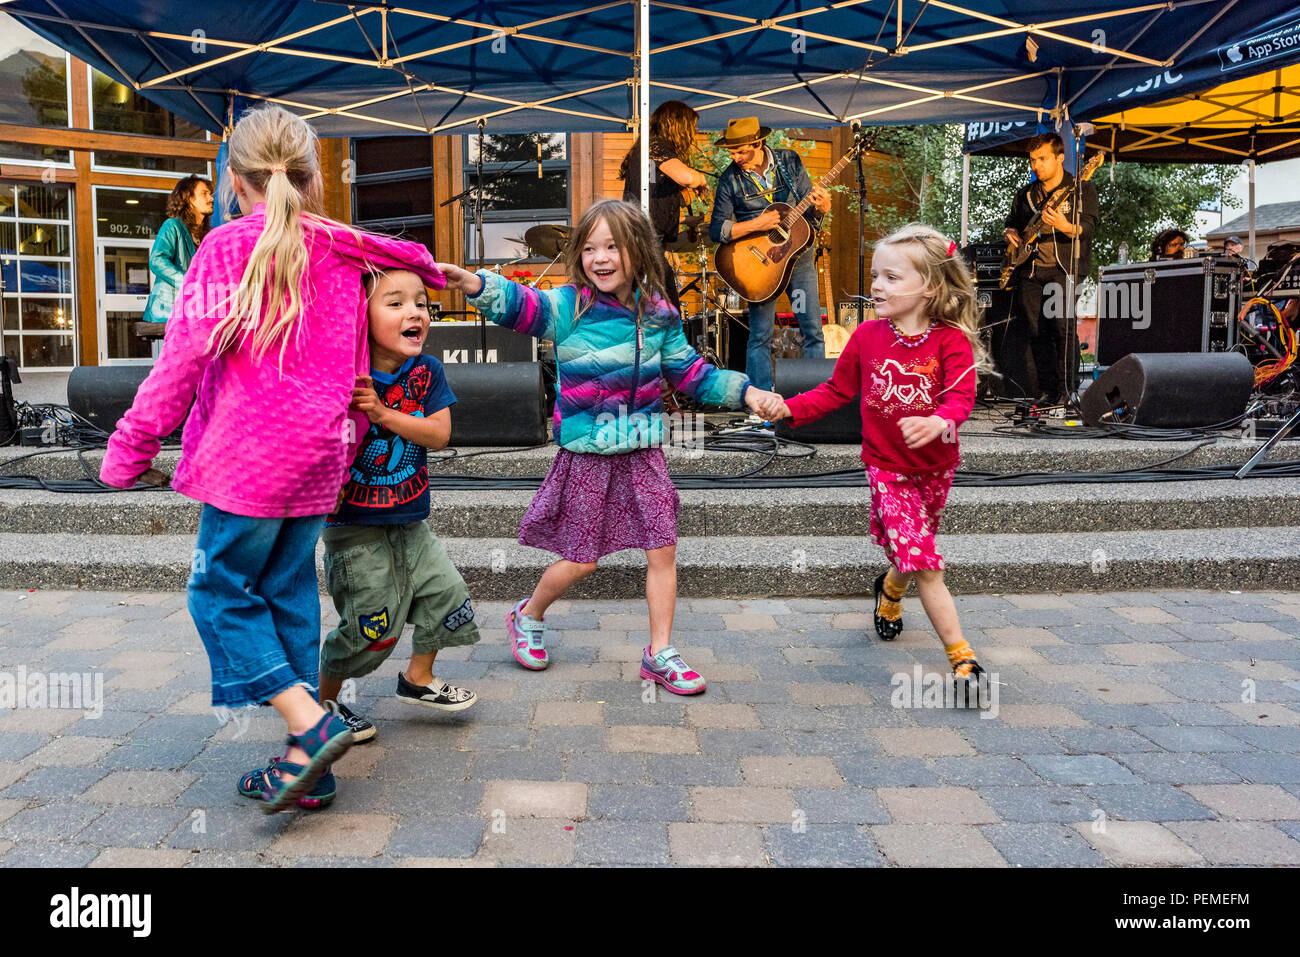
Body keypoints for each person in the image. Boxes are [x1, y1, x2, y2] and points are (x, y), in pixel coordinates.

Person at [97, 105, 445, 813]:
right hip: (321, 458)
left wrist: (128, 450)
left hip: (247, 461)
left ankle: (312, 724)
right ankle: (308, 769)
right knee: (287, 594)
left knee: (219, 591)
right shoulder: (341, 249)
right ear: (314, 180)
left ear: (234, 179)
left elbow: (180, 363)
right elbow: (420, 266)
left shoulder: (227, 248)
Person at [436, 198, 784, 695]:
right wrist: (473, 283)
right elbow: (522, 305)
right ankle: (528, 615)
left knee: (662, 549)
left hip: (643, 449)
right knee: (582, 558)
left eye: (613, 246)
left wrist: (746, 392)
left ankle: (660, 652)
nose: (600, 258)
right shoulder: (569, 306)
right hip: (588, 454)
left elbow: (691, 372)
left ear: (637, 250)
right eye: (591, 248)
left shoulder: (658, 312)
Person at [756, 224, 987, 685]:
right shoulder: (866, 338)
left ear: (930, 287)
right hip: (887, 469)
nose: (876, 286)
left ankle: (889, 589)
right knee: (925, 561)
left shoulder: (951, 341)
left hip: (936, 468)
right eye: (875, 276)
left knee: (910, 558)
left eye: (891, 278)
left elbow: (961, 399)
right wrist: (787, 406)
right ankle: (963, 659)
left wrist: (941, 421)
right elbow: (836, 390)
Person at [305, 267, 479, 764]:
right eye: (396, 302)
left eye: (421, 303)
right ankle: (322, 705)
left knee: (447, 595)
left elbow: (439, 434)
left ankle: (418, 678)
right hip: (353, 529)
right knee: (370, 627)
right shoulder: (339, 373)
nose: (415, 313)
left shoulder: (427, 372)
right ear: (360, 316)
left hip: (410, 520)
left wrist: (382, 414)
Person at [709, 116, 831, 391]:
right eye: (731, 152)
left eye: (741, 151)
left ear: (759, 142)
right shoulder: (730, 179)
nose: (735, 157)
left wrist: (821, 210)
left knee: (812, 330)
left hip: (797, 260)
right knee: (760, 335)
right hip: (760, 268)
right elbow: (717, 230)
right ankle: (760, 402)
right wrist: (757, 224)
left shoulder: (789, 162)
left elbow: (807, 214)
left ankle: (816, 400)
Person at [1002, 132, 1098, 407]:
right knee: (1036, 331)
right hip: (1030, 270)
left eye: (1042, 159)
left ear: (1060, 157)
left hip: (1065, 268)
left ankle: (1068, 392)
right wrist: (1011, 233)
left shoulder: (1080, 189)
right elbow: (1012, 222)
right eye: (1033, 160)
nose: (1036, 166)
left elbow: (1088, 227)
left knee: (1063, 328)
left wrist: (1065, 226)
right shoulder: (1026, 195)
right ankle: (1046, 392)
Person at [619, 100, 709, 316]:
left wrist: (682, 197)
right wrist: (699, 178)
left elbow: (653, 192)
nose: (694, 133)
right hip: (643, 239)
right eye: (691, 128)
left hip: (645, 238)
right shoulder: (655, 146)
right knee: (667, 310)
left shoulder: (649, 151)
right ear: (678, 126)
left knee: (662, 307)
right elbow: (685, 176)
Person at [142, 174, 213, 324]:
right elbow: (157, 260)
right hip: (169, 311)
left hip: (196, 312)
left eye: (210, 194)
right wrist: (188, 282)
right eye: (204, 194)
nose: (211, 198)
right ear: (189, 199)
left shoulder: (209, 235)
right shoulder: (172, 225)